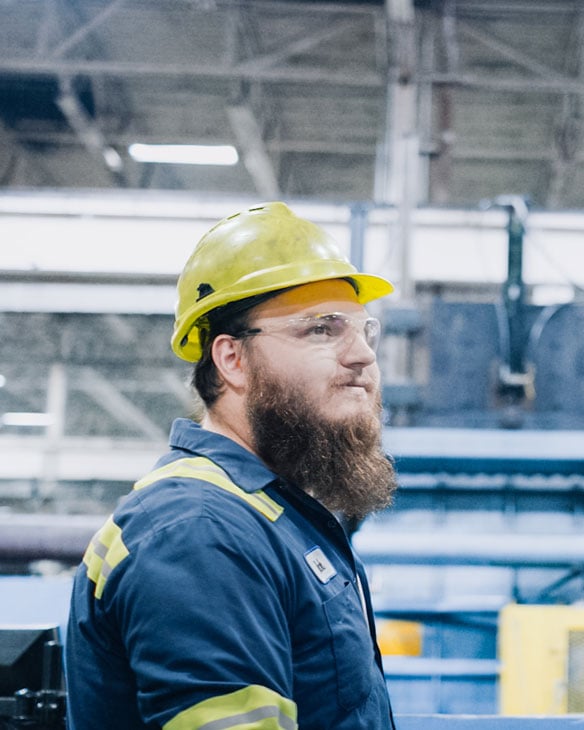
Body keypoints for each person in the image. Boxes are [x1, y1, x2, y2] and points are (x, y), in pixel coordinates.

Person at [65, 202, 400, 729]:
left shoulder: (269, 518)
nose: (362, 356)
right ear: (232, 360)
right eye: (321, 330)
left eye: (364, 330)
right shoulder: (200, 531)